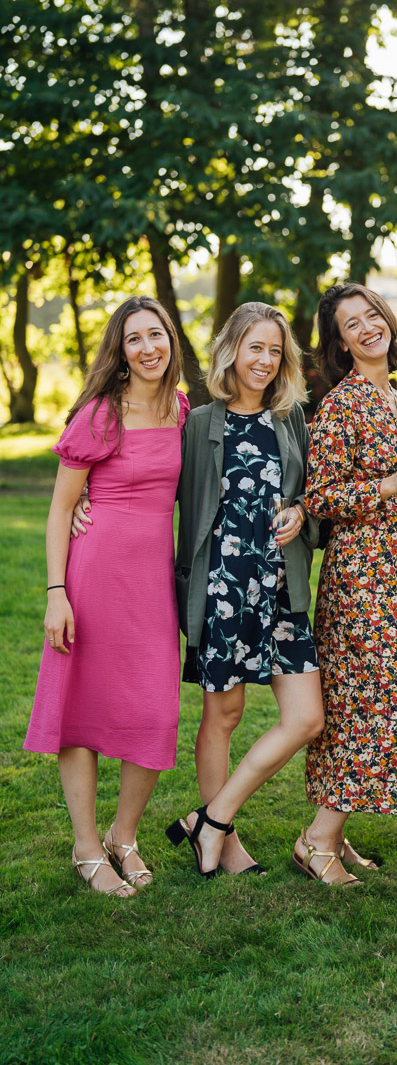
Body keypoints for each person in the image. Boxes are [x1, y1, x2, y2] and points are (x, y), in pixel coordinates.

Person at [24, 296, 187, 896]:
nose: (148, 348)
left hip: (152, 586)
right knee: (82, 710)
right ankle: (87, 846)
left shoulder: (181, 409)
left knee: (155, 711)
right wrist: (56, 593)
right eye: (134, 338)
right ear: (120, 351)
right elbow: (60, 508)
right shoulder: (100, 415)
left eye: (156, 335)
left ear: (171, 340)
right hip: (93, 579)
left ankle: (124, 834)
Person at [165, 302, 324, 877]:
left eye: (275, 350)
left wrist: (301, 512)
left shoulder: (291, 419)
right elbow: (152, 482)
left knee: (306, 717)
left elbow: (314, 495)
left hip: (282, 591)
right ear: (231, 350)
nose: (265, 360)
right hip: (223, 591)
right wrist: (86, 495)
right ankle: (224, 844)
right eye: (255, 347)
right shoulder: (198, 423)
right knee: (224, 714)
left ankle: (211, 818)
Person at [295, 283, 397, 886]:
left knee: (374, 702)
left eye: (371, 315)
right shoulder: (342, 404)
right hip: (362, 576)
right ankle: (317, 840)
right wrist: (392, 483)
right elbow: (321, 496)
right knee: (367, 703)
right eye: (350, 324)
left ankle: (331, 832)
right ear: (341, 344)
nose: (366, 327)